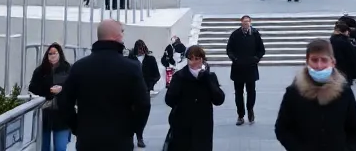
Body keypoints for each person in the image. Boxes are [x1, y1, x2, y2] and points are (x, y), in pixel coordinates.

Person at [57, 19, 151, 151]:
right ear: (116, 36)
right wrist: (133, 128)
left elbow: (64, 102)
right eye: (122, 32)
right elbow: (144, 104)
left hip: (88, 139)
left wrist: (77, 127)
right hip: (120, 140)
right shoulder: (131, 68)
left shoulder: (79, 67)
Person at [274, 39, 356, 151]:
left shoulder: (344, 92)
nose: (319, 65)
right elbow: (282, 129)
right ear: (307, 61)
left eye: (324, 60)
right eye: (314, 60)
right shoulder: (294, 92)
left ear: (332, 62)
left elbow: (354, 128)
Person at [164, 44, 225, 151]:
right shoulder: (179, 76)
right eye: (191, 59)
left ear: (202, 59)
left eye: (197, 59)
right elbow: (169, 100)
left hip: (203, 126)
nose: (194, 62)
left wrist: (208, 81)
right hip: (182, 125)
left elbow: (219, 100)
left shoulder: (209, 77)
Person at [29, 43, 73, 151]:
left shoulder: (68, 69)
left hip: (62, 115)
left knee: (60, 147)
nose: (52, 56)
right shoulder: (40, 71)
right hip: (44, 114)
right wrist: (48, 91)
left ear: (60, 54)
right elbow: (33, 87)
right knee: (44, 147)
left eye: (55, 53)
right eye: (50, 53)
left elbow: (74, 87)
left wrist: (62, 89)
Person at [225, 14, 265, 126]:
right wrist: (235, 59)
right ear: (241, 22)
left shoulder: (255, 34)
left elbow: (261, 50)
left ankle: (250, 111)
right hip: (238, 68)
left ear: (250, 22)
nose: (246, 23)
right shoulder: (235, 34)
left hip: (251, 68)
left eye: (248, 21)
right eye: (244, 21)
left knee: (251, 92)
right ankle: (240, 115)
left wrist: (256, 59)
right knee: (238, 93)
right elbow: (229, 50)